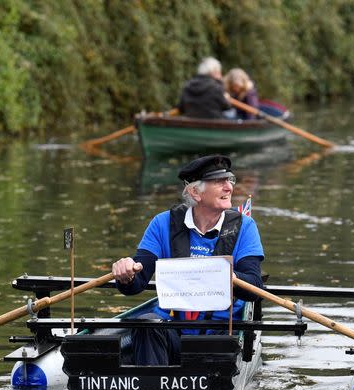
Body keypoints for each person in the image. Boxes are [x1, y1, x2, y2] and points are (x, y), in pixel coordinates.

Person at [112, 155, 265, 366]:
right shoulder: (162, 223)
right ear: (195, 192)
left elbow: (255, 287)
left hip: (220, 333)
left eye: (229, 180)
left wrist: (231, 277)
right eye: (219, 181)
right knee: (145, 325)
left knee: (217, 344)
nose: (229, 187)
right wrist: (126, 273)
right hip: (171, 329)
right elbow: (136, 283)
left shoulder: (245, 227)